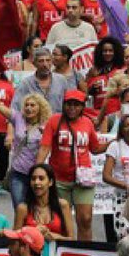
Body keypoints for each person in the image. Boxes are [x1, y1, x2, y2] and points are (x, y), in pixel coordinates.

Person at [36, 90, 107, 241]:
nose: (72, 108)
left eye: (76, 104)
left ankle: (85, 254)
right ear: (64, 105)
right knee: (61, 222)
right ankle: (63, 255)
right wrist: (37, 170)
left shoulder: (87, 122)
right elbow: (45, 147)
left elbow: (95, 149)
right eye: (69, 104)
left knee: (86, 219)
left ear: (82, 106)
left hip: (83, 179)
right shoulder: (54, 121)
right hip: (59, 180)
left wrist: (113, 143)